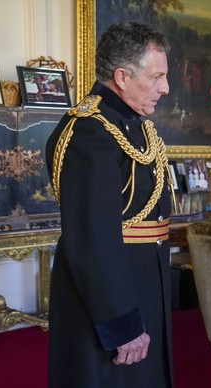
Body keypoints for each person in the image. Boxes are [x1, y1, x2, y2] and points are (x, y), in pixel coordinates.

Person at [45, 22, 173, 388]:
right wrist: (122, 324)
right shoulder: (89, 132)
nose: (165, 88)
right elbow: (91, 239)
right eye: (157, 76)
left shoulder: (133, 125)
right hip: (108, 302)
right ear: (122, 76)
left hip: (141, 285)